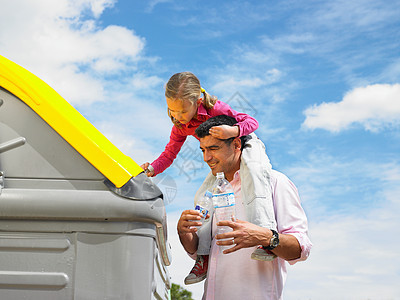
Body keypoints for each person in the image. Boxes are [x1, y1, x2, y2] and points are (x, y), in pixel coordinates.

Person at [140, 72, 278, 284]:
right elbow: (169, 155)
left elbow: (251, 122)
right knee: (203, 197)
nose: (177, 116)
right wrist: (151, 170)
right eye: (172, 110)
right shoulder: (180, 126)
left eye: (182, 111)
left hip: (245, 144)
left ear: (198, 101)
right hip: (221, 157)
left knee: (254, 176)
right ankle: (203, 256)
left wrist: (233, 130)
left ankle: (266, 236)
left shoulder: (217, 109)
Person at [177, 115, 312, 300]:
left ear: (236, 145)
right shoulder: (209, 192)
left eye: (214, 148)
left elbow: (301, 249)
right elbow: (202, 252)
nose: (207, 158)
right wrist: (185, 233)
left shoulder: (275, 183)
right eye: (203, 150)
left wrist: (265, 237)